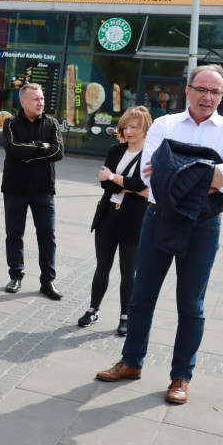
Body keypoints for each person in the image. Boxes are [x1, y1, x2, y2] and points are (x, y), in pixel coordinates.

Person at [96, 65, 223, 405]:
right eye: (201, 89)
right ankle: (131, 362)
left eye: (215, 92)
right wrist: (205, 173)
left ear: (222, 95)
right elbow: (151, 174)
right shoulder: (164, 125)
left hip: (203, 225)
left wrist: (176, 169)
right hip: (158, 217)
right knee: (141, 296)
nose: (207, 97)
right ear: (188, 90)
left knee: (190, 304)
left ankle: (182, 376)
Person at [79, 106, 152, 336]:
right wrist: (123, 183)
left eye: (134, 127)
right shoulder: (115, 149)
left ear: (144, 127)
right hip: (107, 215)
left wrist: (114, 177)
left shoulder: (150, 154)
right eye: (125, 127)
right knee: (103, 265)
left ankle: (125, 316)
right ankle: (93, 310)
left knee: (128, 270)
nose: (129, 131)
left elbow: (142, 184)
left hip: (133, 218)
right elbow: (106, 184)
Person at [1, 82, 64, 299]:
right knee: (14, 234)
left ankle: (47, 281)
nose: (41, 103)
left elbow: (57, 152)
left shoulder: (52, 124)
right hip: (14, 188)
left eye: (42, 98)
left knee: (47, 236)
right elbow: (11, 149)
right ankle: (15, 275)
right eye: (36, 99)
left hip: (43, 189)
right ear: (23, 101)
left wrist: (26, 154)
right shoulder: (10, 122)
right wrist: (40, 146)